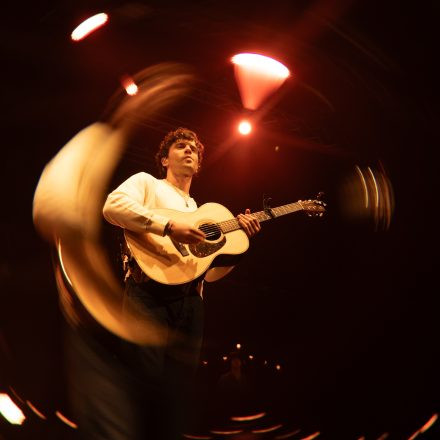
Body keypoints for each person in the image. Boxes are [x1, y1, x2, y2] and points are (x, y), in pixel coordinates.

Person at [100, 127, 261, 439]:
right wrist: (168, 226)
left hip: (190, 304)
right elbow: (112, 206)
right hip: (147, 294)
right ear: (164, 159)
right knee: (143, 385)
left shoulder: (201, 211)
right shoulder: (147, 183)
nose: (189, 150)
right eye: (181, 146)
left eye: (194, 149)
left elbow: (208, 273)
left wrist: (239, 241)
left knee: (178, 394)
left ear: (198, 164)